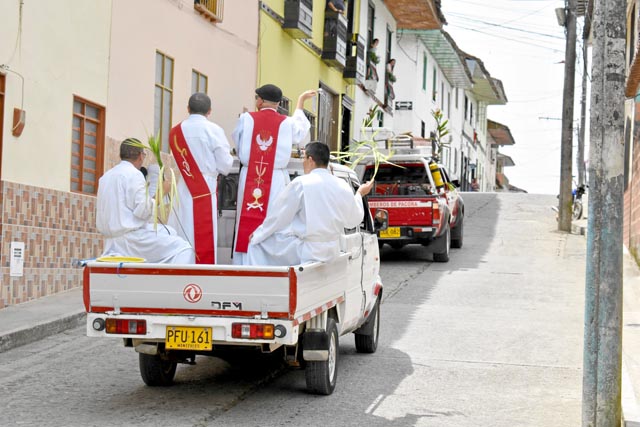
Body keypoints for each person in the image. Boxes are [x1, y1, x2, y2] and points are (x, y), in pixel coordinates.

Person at [246, 142, 374, 266]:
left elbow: (279, 216)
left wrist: (258, 234)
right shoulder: (342, 185)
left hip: (307, 250)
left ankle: (257, 283)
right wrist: (359, 194)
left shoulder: (301, 183)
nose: (303, 162)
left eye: (304, 158)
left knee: (257, 244)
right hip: (332, 251)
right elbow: (353, 219)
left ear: (310, 159)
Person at [231, 84, 316, 265]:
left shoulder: (246, 119)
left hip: (250, 176)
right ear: (278, 104)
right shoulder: (286, 122)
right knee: (274, 221)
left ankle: (245, 264)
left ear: (260, 101)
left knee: (247, 221)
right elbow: (300, 132)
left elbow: (237, 143)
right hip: (276, 178)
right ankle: (267, 264)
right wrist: (300, 102)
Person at [96, 139, 194, 264]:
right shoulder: (134, 175)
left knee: (170, 231)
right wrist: (161, 193)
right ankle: (171, 283)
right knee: (184, 248)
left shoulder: (105, 177)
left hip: (111, 240)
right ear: (141, 156)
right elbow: (143, 211)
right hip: (132, 241)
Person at [168, 92, 233, 264]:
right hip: (206, 186)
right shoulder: (214, 130)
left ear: (188, 109)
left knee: (181, 229)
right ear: (209, 111)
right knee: (202, 233)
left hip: (183, 186)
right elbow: (226, 165)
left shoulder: (175, 131)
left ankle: (179, 267)